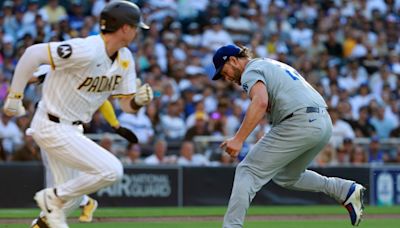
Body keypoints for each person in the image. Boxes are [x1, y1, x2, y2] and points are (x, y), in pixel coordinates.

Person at [3, 1, 152, 228]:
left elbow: (126, 106)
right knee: (111, 170)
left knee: (67, 206)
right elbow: (33, 53)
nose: (137, 32)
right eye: (135, 27)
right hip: (52, 124)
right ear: (124, 28)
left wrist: (138, 102)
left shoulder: (125, 59)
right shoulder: (87, 48)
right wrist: (15, 96)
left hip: (72, 129)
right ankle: (52, 196)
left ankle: (47, 212)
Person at [212, 44, 365, 227]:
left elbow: (260, 102)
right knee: (287, 176)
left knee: (247, 170)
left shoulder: (250, 71)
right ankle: (344, 190)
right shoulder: (269, 64)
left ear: (234, 60)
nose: (226, 78)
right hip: (322, 122)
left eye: (224, 71)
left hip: (299, 121)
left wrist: (238, 139)